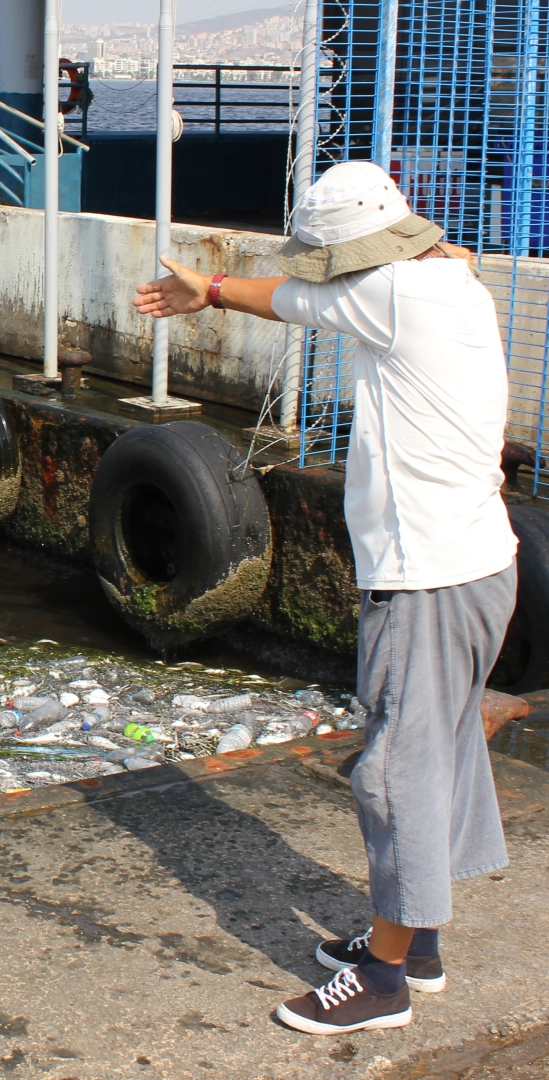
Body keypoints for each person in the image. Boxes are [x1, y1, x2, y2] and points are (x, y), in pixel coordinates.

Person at [133, 160, 518, 1036]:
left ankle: (382, 982)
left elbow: (288, 299)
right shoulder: (447, 280)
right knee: (443, 749)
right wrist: (221, 288)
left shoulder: (390, 294)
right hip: (479, 562)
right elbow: (316, 291)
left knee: (394, 770)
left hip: (425, 578)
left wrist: (212, 289)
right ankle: (413, 943)